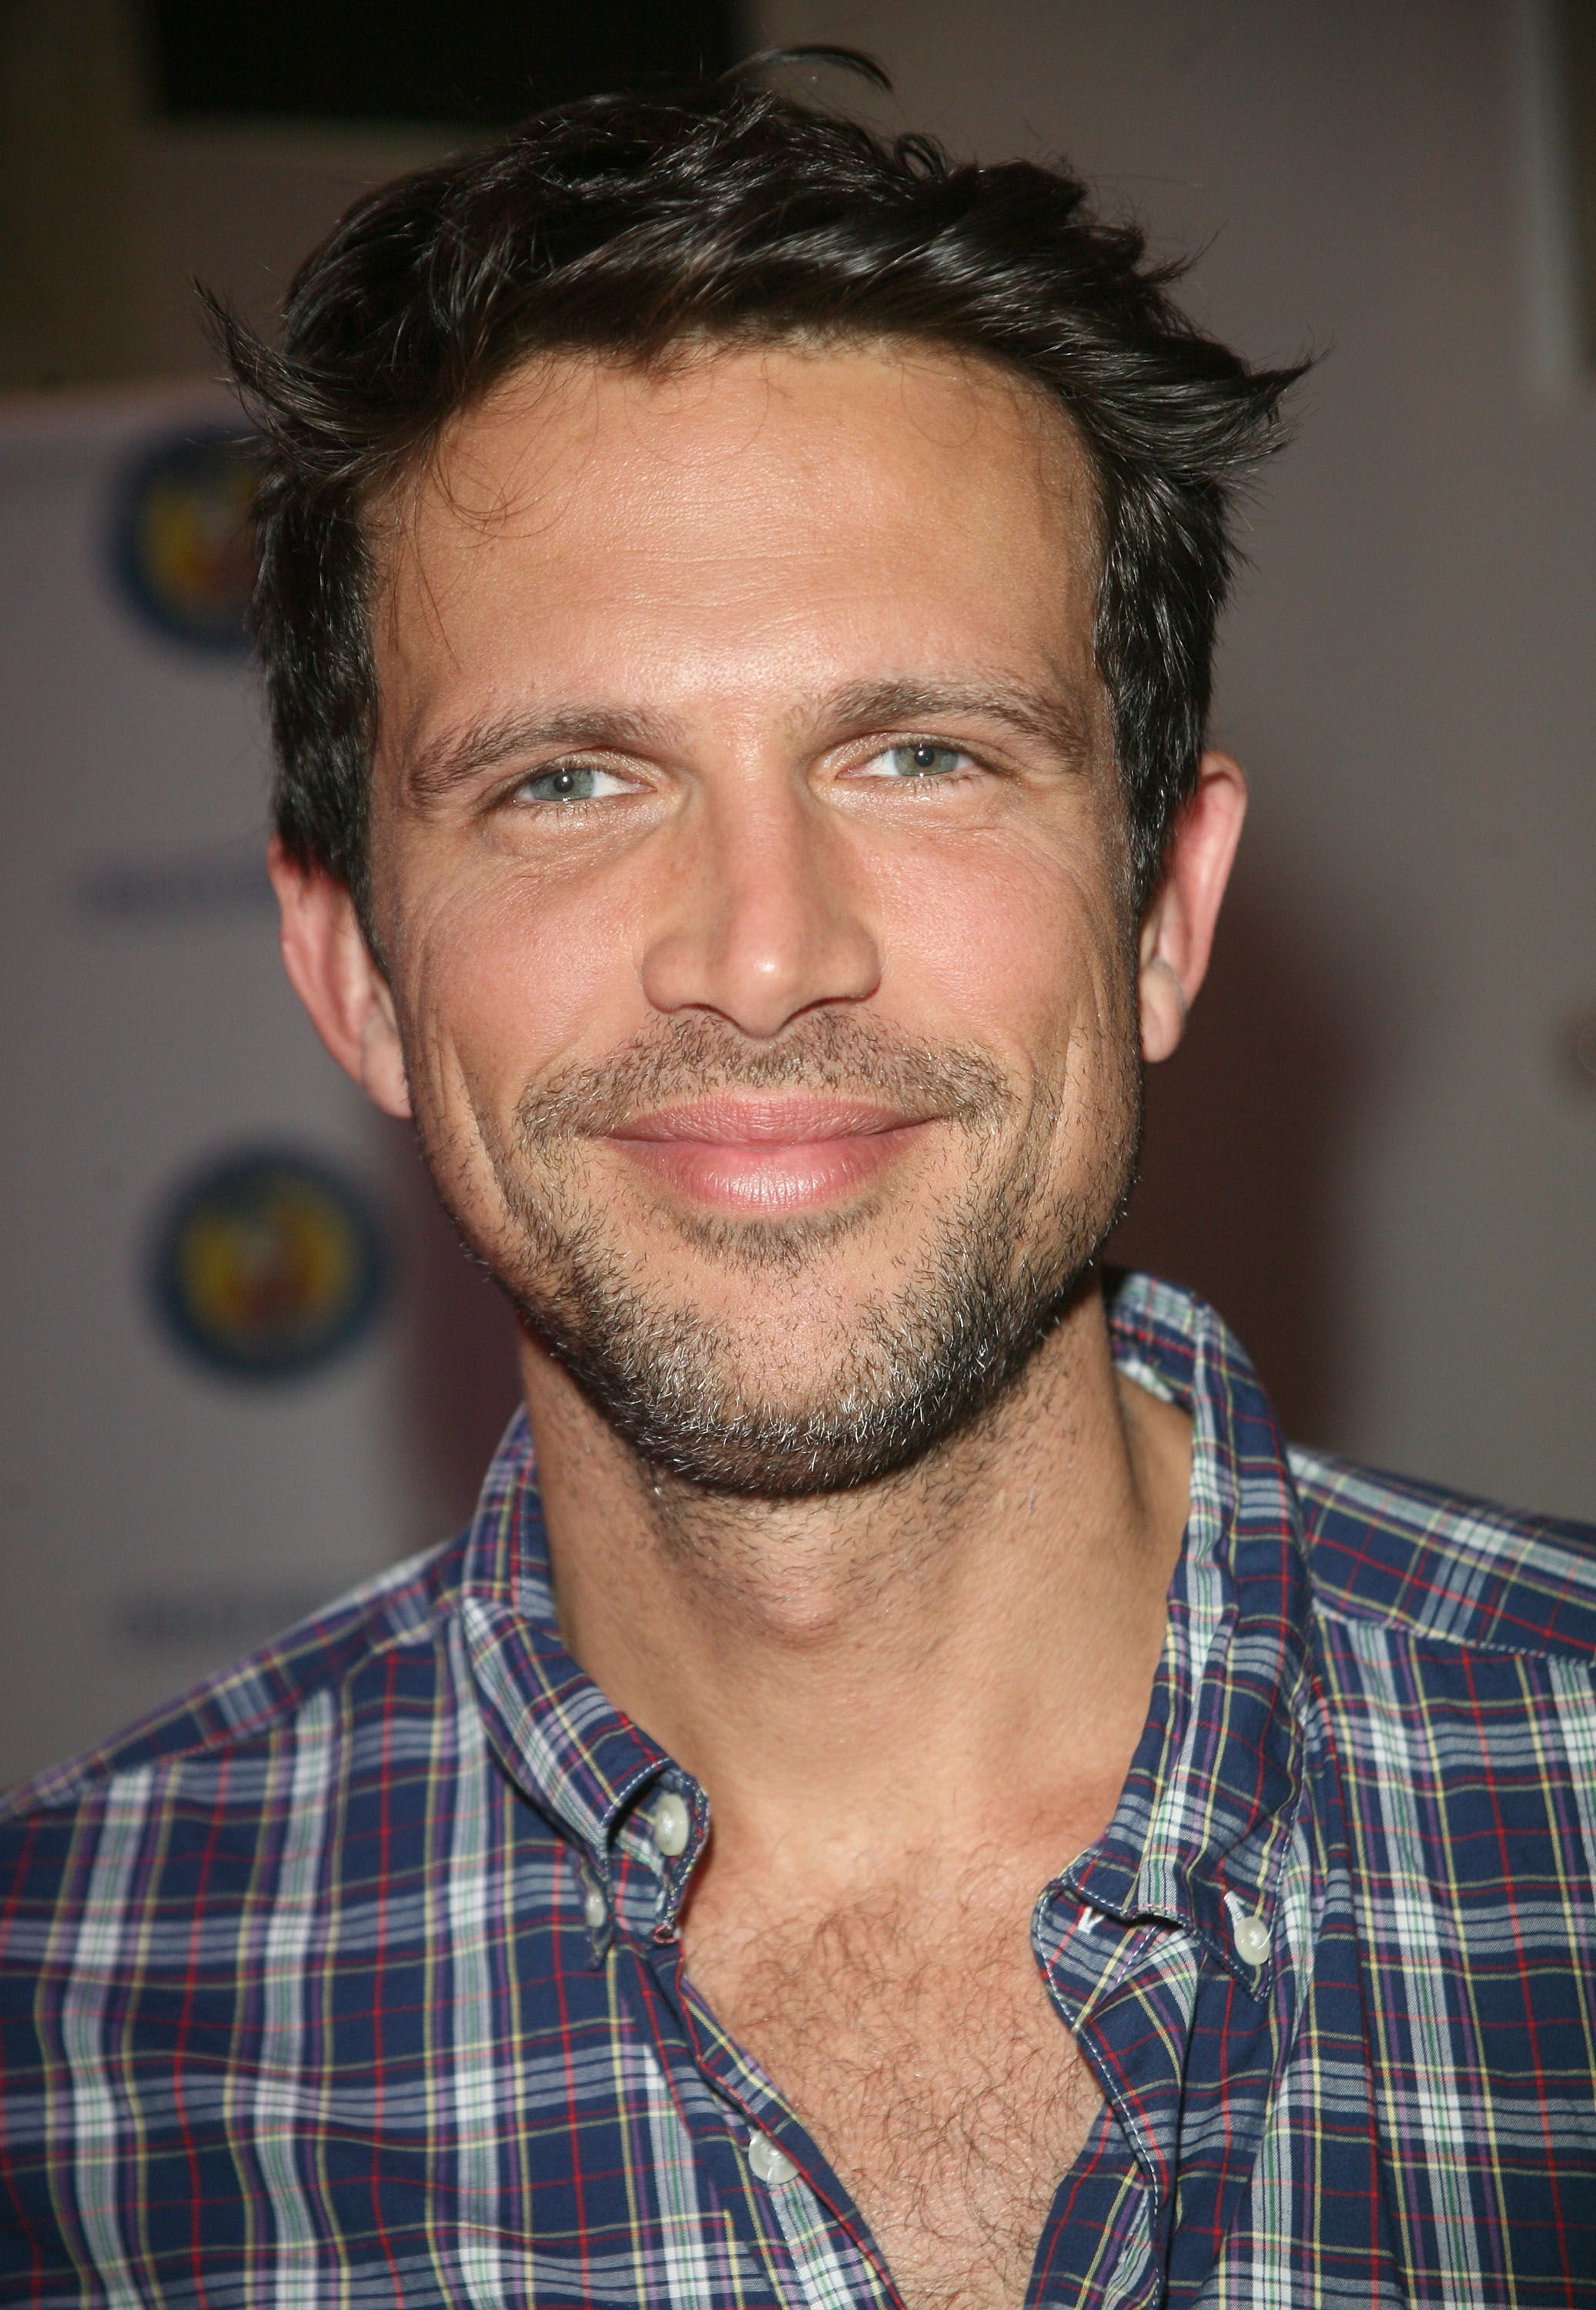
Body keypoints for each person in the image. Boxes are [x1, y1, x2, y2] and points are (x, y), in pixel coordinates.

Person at [3, 69, 1594, 2310]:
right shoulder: (61, 2039)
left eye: (919, 754)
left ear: (1163, 908)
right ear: (352, 972)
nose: (762, 955)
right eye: (570, 780)